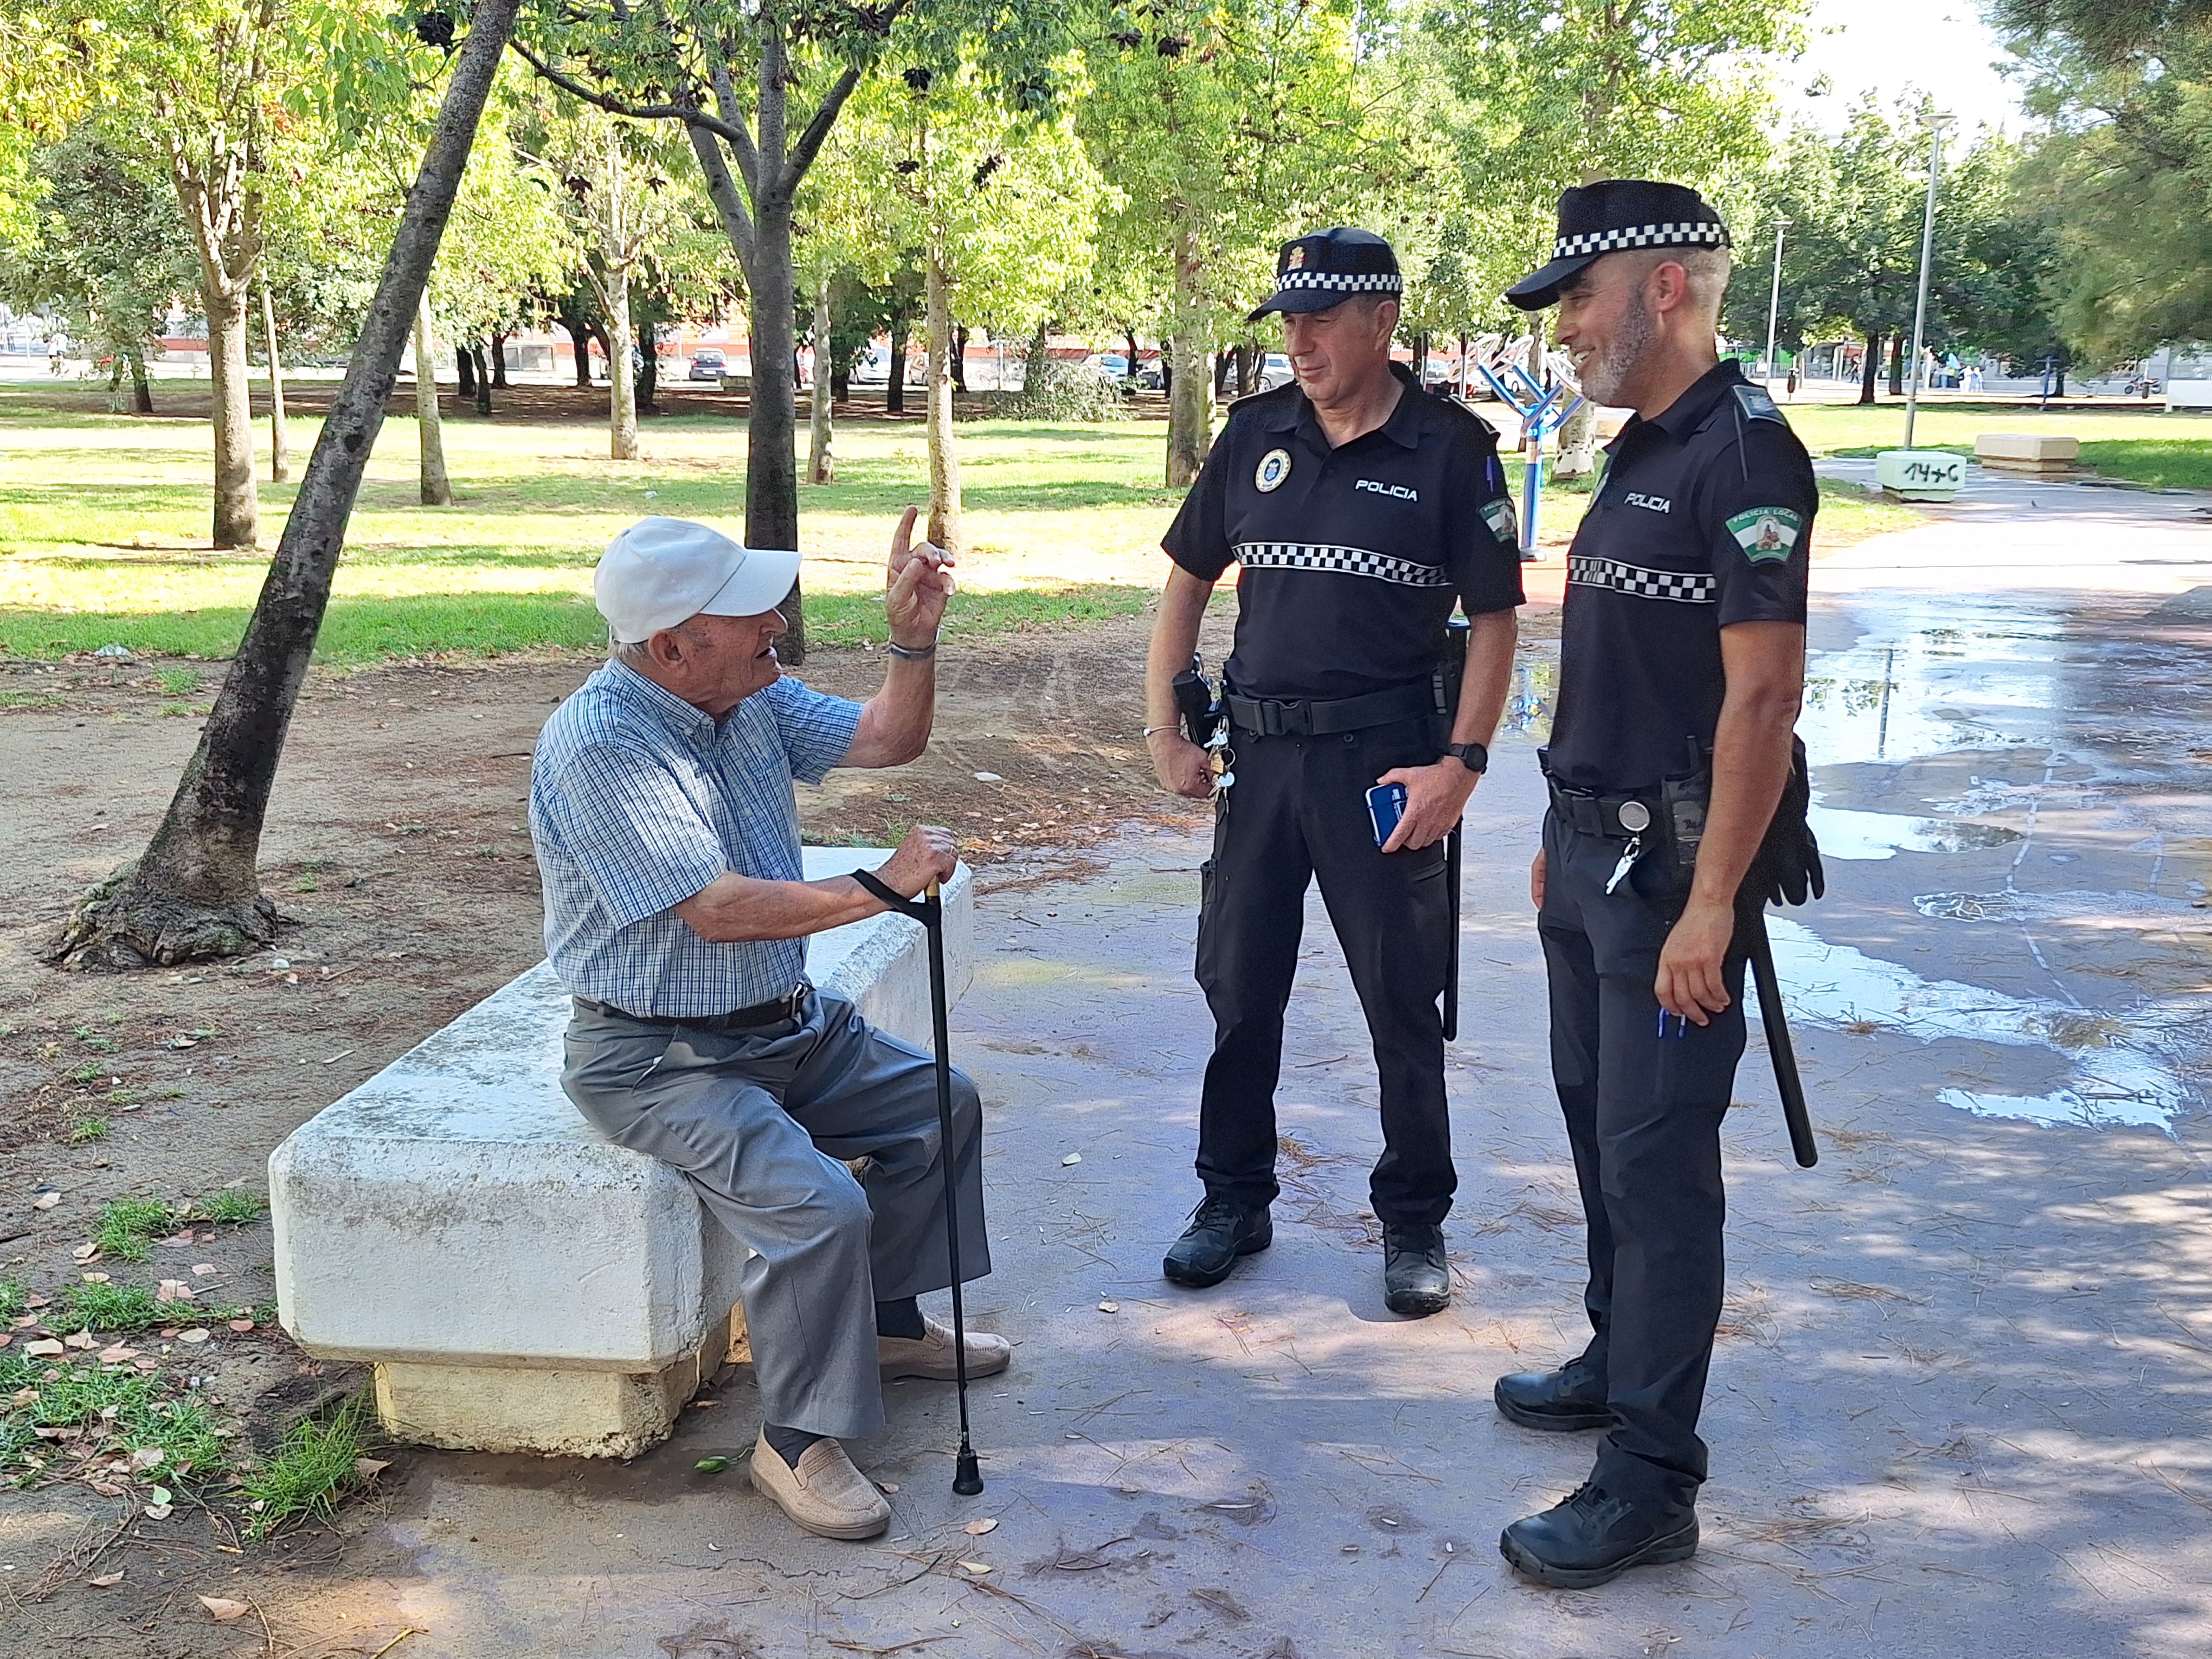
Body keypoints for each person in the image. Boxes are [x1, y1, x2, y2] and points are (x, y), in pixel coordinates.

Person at [530, 511, 1009, 1542]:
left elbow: (886, 737)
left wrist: (912, 641)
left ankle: (885, 1330)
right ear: (672, 647)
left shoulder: (745, 694)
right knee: (819, 1208)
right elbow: (717, 909)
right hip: (659, 1059)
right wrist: (882, 885)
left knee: (941, 1107)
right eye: (751, 615)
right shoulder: (603, 743)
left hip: (786, 1026)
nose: (777, 625)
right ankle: (795, 1440)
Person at [1492, 180, 1815, 1587]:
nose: (1565, 326)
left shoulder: (1746, 456)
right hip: (1593, 856)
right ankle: (1616, 1351)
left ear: (1664, 287)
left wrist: (1711, 903)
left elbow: (1763, 703)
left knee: (1658, 1166)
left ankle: (1651, 1481)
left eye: (1579, 296)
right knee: (1594, 1126)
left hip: (1675, 878)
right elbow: (1616, 665)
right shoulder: (1640, 451)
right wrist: (1561, 824)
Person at [1143, 227, 1523, 1317]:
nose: (1299, 343)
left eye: (1320, 321)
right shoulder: (1255, 434)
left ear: (1381, 321)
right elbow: (1186, 581)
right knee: (1239, 991)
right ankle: (1233, 1201)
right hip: (1260, 762)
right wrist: (1167, 728)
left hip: (1385, 766)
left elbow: (1497, 619)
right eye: (1289, 323)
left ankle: (1414, 1221)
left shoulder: (1449, 448)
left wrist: (1463, 764)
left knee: (1401, 1001)